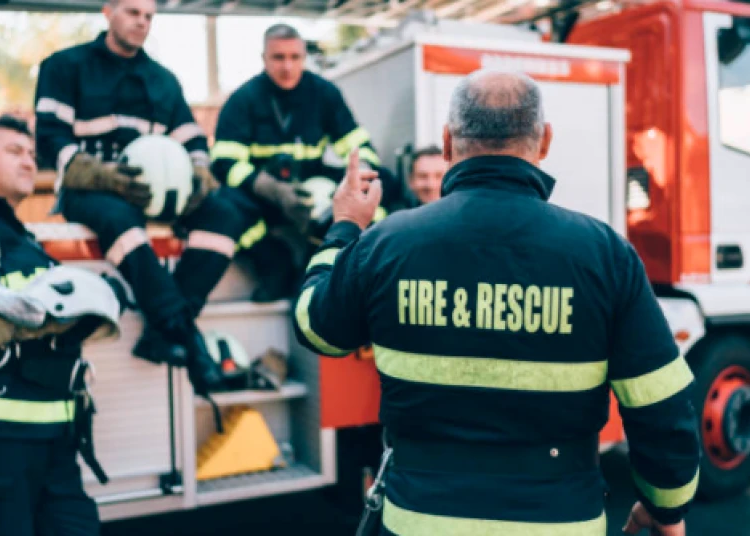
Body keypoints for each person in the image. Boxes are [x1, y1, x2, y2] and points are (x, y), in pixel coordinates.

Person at [292, 71, 701, 535]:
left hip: (418, 521)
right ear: (544, 141)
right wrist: (666, 509)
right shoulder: (606, 254)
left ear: (447, 144)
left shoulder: (386, 244)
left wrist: (344, 227)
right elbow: (661, 405)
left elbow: (315, 327)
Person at [34, 0, 243, 403]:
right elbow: (49, 136)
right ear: (108, 11)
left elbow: (194, 141)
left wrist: (199, 171)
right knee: (121, 219)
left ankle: (160, 332)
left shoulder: (163, 80)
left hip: (159, 194)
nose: (142, 22)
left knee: (225, 214)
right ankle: (186, 336)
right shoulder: (63, 66)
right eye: (132, 12)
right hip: (90, 192)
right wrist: (95, 172)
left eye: (148, 16)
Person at [0, 116, 125, 536]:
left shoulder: (20, 235)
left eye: (31, 154)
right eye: (13, 152)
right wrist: (6, 319)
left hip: (57, 438)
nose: (28, 162)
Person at [210, 23, 403, 302]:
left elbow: (358, 145)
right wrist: (274, 190)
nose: (288, 66)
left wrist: (356, 178)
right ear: (264, 58)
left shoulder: (323, 93)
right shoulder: (243, 100)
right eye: (278, 57)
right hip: (263, 197)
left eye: (295, 57)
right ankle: (275, 266)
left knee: (384, 182)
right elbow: (224, 162)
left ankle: (366, 267)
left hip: (314, 193)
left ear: (304, 57)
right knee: (224, 206)